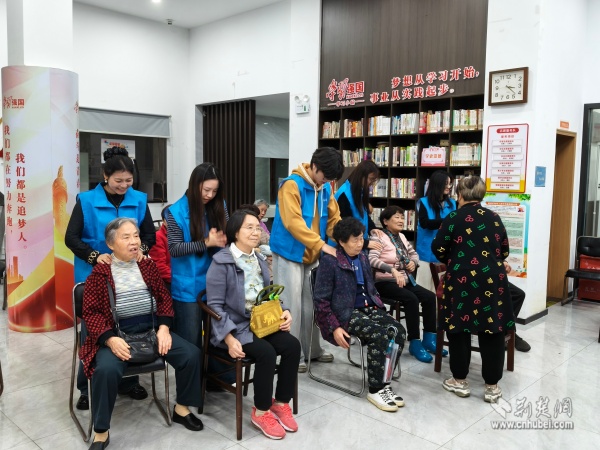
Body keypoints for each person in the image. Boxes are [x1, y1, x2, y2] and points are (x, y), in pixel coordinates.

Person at [80, 218, 203, 450]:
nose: (134, 241)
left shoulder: (147, 266)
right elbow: (91, 313)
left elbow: (164, 298)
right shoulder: (100, 273)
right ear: (110, 244)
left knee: (190, 354)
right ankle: (101, 431)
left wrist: (164, 328)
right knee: (105, 370)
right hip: (117, 334)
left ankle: (181, 409)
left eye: (136, 235)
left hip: (150, 330)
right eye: (126, 237)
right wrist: (110, 339)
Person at [66, 146, 155, 411]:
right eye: (118, 181)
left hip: (128, 276)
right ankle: (87, 387)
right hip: (94, 275)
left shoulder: (139, 200)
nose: (124, 186)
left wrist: (141, 250)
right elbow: (71, 238)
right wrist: (94, 256)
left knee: (131, 326)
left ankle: (128, 382)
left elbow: (149, 236)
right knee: (93, 332)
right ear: (105, 176)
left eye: (129, 180)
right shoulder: (86, 200)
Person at [206, 210, 300, 440]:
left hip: (262, 323)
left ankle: (280, 403)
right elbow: (214, 307)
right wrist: (229, 339)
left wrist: (285, 310)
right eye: (249, 227)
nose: (256, 232)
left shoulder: (258, 259)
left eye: (258, 227)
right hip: (236, 327)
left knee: (292, 346)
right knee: (266, 353)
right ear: (235, 232)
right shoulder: (221, 262)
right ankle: (261, 411)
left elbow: (269, 294)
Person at [432, 176, 514, 403]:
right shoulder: (494, 217)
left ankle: (459, 381)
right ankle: (492, 386)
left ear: (460, 195)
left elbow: (438, 248)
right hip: (492, 280)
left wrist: (457, 258)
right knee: (493, 329)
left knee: (458, 328)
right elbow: (504, 250)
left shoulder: (453, 218)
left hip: (461, 280)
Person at [313, 218, 406, 412]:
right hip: (345, 313)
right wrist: (334, 327)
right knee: (380, 335)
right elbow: (321, 300)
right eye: (355, 240)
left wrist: (379, 307)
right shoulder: (330, 261)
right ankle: (375, 389)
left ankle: (384, 382)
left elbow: (370, 288)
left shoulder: (362, 257)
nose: (359, 243)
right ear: (341, 241)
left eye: (361, 239)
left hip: (369, 307)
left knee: (398, 331)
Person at [270, 147, 345, 373]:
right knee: (290, 305)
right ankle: (292, 356)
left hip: (312, 254)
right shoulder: (291, 185)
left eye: (331, 179)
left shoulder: (325, 188)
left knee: (312, 303)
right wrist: (321, 245)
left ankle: (312, 350)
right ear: (314, 167)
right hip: (289, 253)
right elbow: (293, 223)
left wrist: (343, 240)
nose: (327, 182)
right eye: (325, 176)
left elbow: (334, 219)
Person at [369, 205, 443, 363]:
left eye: (402, 217)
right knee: (411, 299)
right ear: (385, 221)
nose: (401, 220)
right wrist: (391, 269)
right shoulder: (378, 236)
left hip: (405, 280)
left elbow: (414, 254)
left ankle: (429, 339)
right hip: (384, 282)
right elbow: (372, 259)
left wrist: (413, 263)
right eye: (397, 217)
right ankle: (415, 342)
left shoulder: (402, 236)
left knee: (430, 297)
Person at [415, 170, 456, 292]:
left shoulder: (452, 203)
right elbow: (425, 223)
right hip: (426, 252)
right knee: (424, 288)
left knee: (441, 291)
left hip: (446, 253)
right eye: (446, 183)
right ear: (437, 184)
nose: (449, 187)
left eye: (450, 183)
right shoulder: (423, 202)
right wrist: (447, 221)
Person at [333, 160, 382, 251]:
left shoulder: (360, 190)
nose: (371, 184)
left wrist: (372, 229)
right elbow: (345, 227)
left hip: (358, 243)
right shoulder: (344, 194)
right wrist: (366, 243)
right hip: (346, 246)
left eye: (374, 180)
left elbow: (364, 215)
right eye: (370, 179)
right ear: (361, 176)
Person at [504, 262, 531, 352]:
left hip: (497, 277)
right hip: (481, 277)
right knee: (497, 298)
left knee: (518, 294)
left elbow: (500, 255)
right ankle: (505, 333)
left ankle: (509, 331)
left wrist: (505, 263)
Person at [149, 204, 172, 291]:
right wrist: (179, 280)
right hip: (169, 281)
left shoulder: (186, 234)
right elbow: (160, 268)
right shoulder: (158, 237)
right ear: (163, 221)